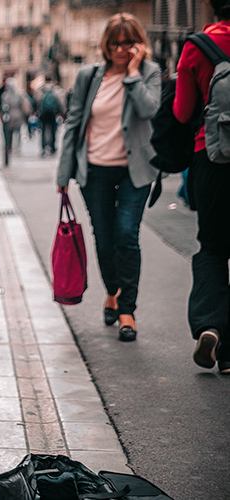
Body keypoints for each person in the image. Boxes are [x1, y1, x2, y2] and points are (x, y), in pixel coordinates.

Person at [56, 13, 160, 342]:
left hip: (135, 170)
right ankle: (112, 291)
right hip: (95, 169)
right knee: (104, 239)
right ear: (106, 45)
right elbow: (74, 122)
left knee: (126, 236)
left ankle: (127, 310)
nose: (120, 50)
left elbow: (149, 110)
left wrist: (132, 74)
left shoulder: (149, 73)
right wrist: (63, 172)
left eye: (127, 44)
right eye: (114, 44)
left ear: (138, 45)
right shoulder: (89, 76)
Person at [174, 0, 230, 373]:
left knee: (212, 248)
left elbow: (181, 111)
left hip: (212, 159)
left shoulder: (199, 45)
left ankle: (210, 325)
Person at [0, 78, 32, 163]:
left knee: (9, 132)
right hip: (19, 115)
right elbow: (27, 103)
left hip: (10, 116)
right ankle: (17, 147)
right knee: (18, 132)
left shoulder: (5, 95)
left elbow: (4, 107)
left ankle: (10, 147)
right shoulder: (19, 94)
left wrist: (5, 114)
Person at [34, 75, 67, 156]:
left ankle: (43, 147)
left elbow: (36, 99)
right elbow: (61, 100)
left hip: (43, 112)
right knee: (53, 130)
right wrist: (63, 111)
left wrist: (37, 109)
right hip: (52, 112)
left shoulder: (41, 89)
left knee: (43, 129)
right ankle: (52, 147)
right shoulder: (55, 89)